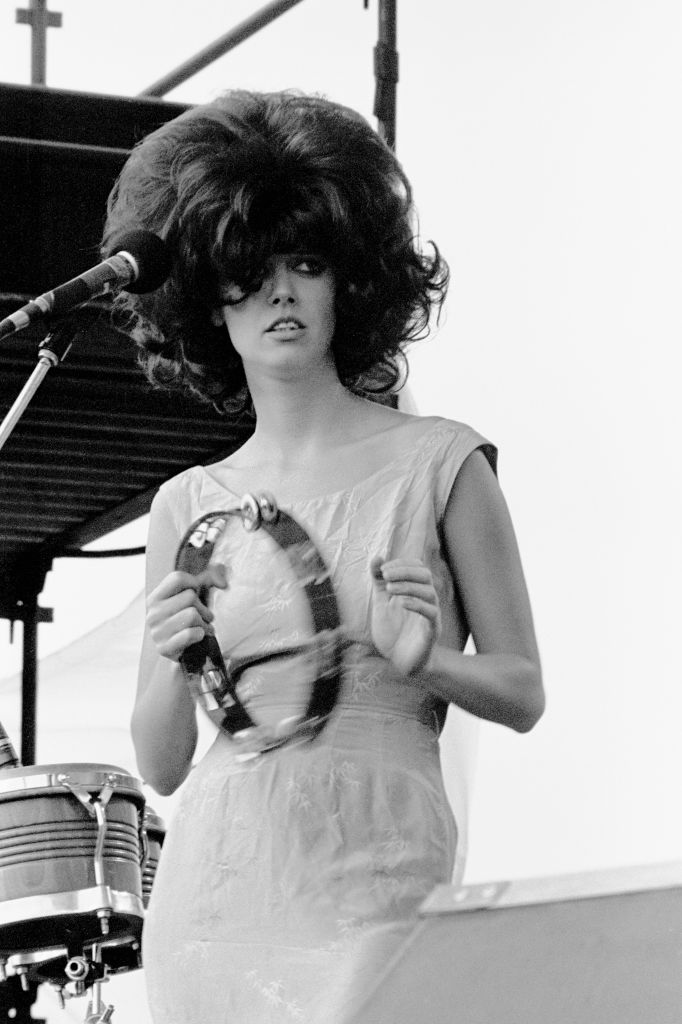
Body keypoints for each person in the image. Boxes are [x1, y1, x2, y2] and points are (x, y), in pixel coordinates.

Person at [103, 90, 544, 1024]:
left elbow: (524, 692)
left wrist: (429, 662)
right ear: (204, 303)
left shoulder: (443, 462)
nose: (281, 293)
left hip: (379, 877)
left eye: (307, 263)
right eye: (247, 271)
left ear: (354, 280)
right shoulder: (187, 501)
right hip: (218, 894)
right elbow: (163, 762)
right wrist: (174, 664)